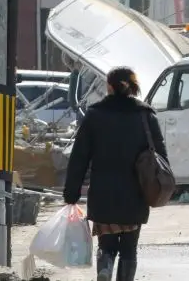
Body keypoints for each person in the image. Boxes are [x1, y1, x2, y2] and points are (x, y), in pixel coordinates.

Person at [64, 67, 167, 281]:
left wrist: (71, 193)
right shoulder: (145, 115)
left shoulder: (95, 115)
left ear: (109, 86)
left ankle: (105, 265)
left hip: (103, 195)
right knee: (129, 249)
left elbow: (79, 157)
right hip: (135, 194)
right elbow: (161, 157)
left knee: (107, 244)